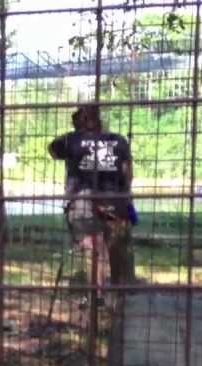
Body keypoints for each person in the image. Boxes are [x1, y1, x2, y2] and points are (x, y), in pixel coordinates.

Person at [48, 104, 134, 307]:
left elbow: (52, 150)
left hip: (83, 201)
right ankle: (117, 293)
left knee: (93, 248)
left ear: (82, 122)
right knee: (113, 247)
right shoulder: (119, 140)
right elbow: (128, 173)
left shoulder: (71, 140)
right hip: (114, 199)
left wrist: (76, 142)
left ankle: (97, 294)